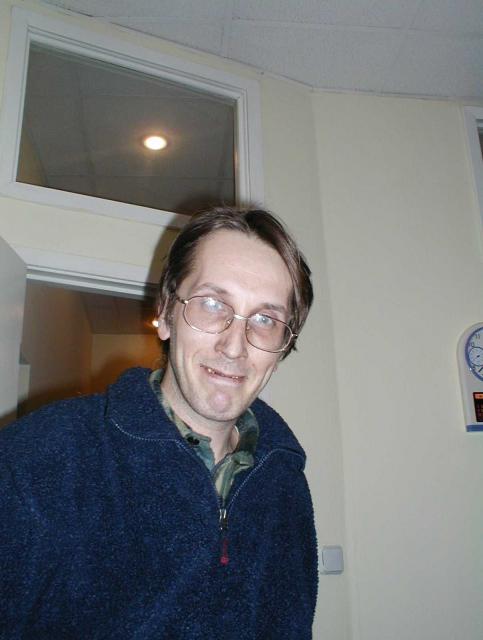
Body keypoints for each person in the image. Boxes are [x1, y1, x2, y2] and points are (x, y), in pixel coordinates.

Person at [0, 207, 318, 639]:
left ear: (282, 348)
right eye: (212, 304)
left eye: (265, 319)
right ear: (166, 313)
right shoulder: (38, 458)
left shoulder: (286, 482)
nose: (234, 346)